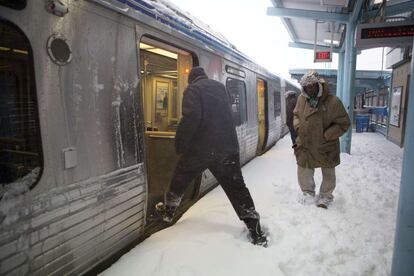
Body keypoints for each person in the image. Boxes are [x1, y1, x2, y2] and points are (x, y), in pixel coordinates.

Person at [158, 66, 267, 246]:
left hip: (201, 149)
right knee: (237, 188)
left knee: (181, 176)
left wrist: (180, 144)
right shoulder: (220, 87)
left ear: (191, 79)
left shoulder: (193, 89)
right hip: (227, 148)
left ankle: (169, 212)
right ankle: (255, 229)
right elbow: (228, 107)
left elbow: (191, 117)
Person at [293, 71, 350, 209]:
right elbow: (296, 115)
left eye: (312, 86)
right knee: (304, 168)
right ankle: (307, 192)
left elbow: (344, 123)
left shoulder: (333, 102)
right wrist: (299, 127)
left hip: (326, 144)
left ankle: (325, 196)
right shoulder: (301, 99)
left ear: (319, 85)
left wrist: (327, 135)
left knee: (328, 171)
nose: (309, 89)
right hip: (305, 142)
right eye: (306, 87)